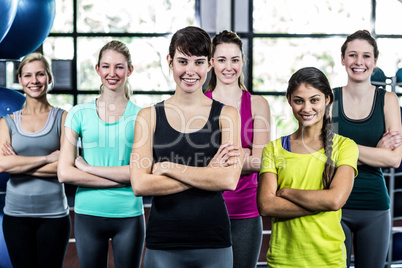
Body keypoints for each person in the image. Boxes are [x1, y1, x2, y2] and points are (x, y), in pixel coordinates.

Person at [130, 26, 243, 268]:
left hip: (213, 240)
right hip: (163, 242)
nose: (190, 71)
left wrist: (169, 167)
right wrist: (209, 173)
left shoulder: (228, 115)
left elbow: (229, 181)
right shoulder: (147, 116)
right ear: (170, 61)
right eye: (183, 61)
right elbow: (140, 184)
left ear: (210, 64)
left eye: (198, 62)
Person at [257, 67, 359, 267]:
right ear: (289, 100)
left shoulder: (345, 146)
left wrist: (287, 192)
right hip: (283, 260)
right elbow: (266, 205)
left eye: (314, 100)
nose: (306, 108)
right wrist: (319, 203)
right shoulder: (273, 149)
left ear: (327, 99)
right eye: (298, 100)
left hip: (328, 260)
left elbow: (335, 200)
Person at [58, 40, 145, 268]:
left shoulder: (143, 116)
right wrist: (122, 181)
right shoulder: (77, 114)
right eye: (106, 66)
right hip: (88, 213)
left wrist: (87, 169)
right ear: (97, 69)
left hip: (129, 215)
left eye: (119, 67)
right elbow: (64, 173)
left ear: (129, 70)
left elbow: (141, 171)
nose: (112, 73)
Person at [332, 30, 402, 268]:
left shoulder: (388, 100)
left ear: (374, 61)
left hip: (375, 205)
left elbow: (394, 159)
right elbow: (323, 154)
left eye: (366, 56)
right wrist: (376, 153)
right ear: (343, 59)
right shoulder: (329, 99)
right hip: (334, 202)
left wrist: (344, 151)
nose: (359, 62)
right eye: (352, 55)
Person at [205, 30, 270, 268]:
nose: (228, 66)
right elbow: (194, 162)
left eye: (234, 59)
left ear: (243, 60)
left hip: (246, 211)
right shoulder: (200, 104)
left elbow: (260, 161)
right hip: (207, 210)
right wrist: (243, 153)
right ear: (212, 63)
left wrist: (217, 161)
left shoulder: (258, 104)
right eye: (221, 60)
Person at [0, 52, 70, 268]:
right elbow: (2, 164)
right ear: (20, 79)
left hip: (54, 216)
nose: (34, 81)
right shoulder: (7, 122)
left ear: (49, 78)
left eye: (40, 74)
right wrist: (48, 157)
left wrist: (19, 164)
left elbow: (66, 168)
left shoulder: (63, 117)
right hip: (16, 216)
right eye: (28, 75)